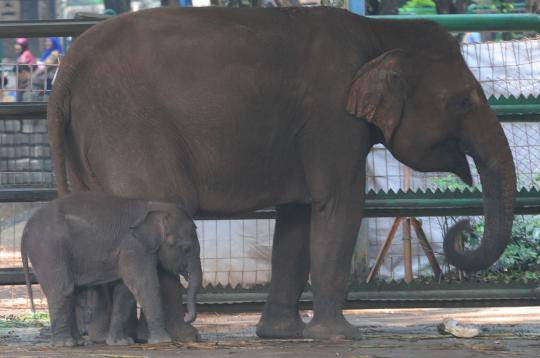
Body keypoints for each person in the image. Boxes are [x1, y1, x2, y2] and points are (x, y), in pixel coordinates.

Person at [14, 38, 36, 102]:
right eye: (16, 44)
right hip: (22, 85)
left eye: (18, 45)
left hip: (26, 85)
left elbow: (24, 70)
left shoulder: (26, 54)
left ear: (23, 46)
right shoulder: (21, 55)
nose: (16, 46)